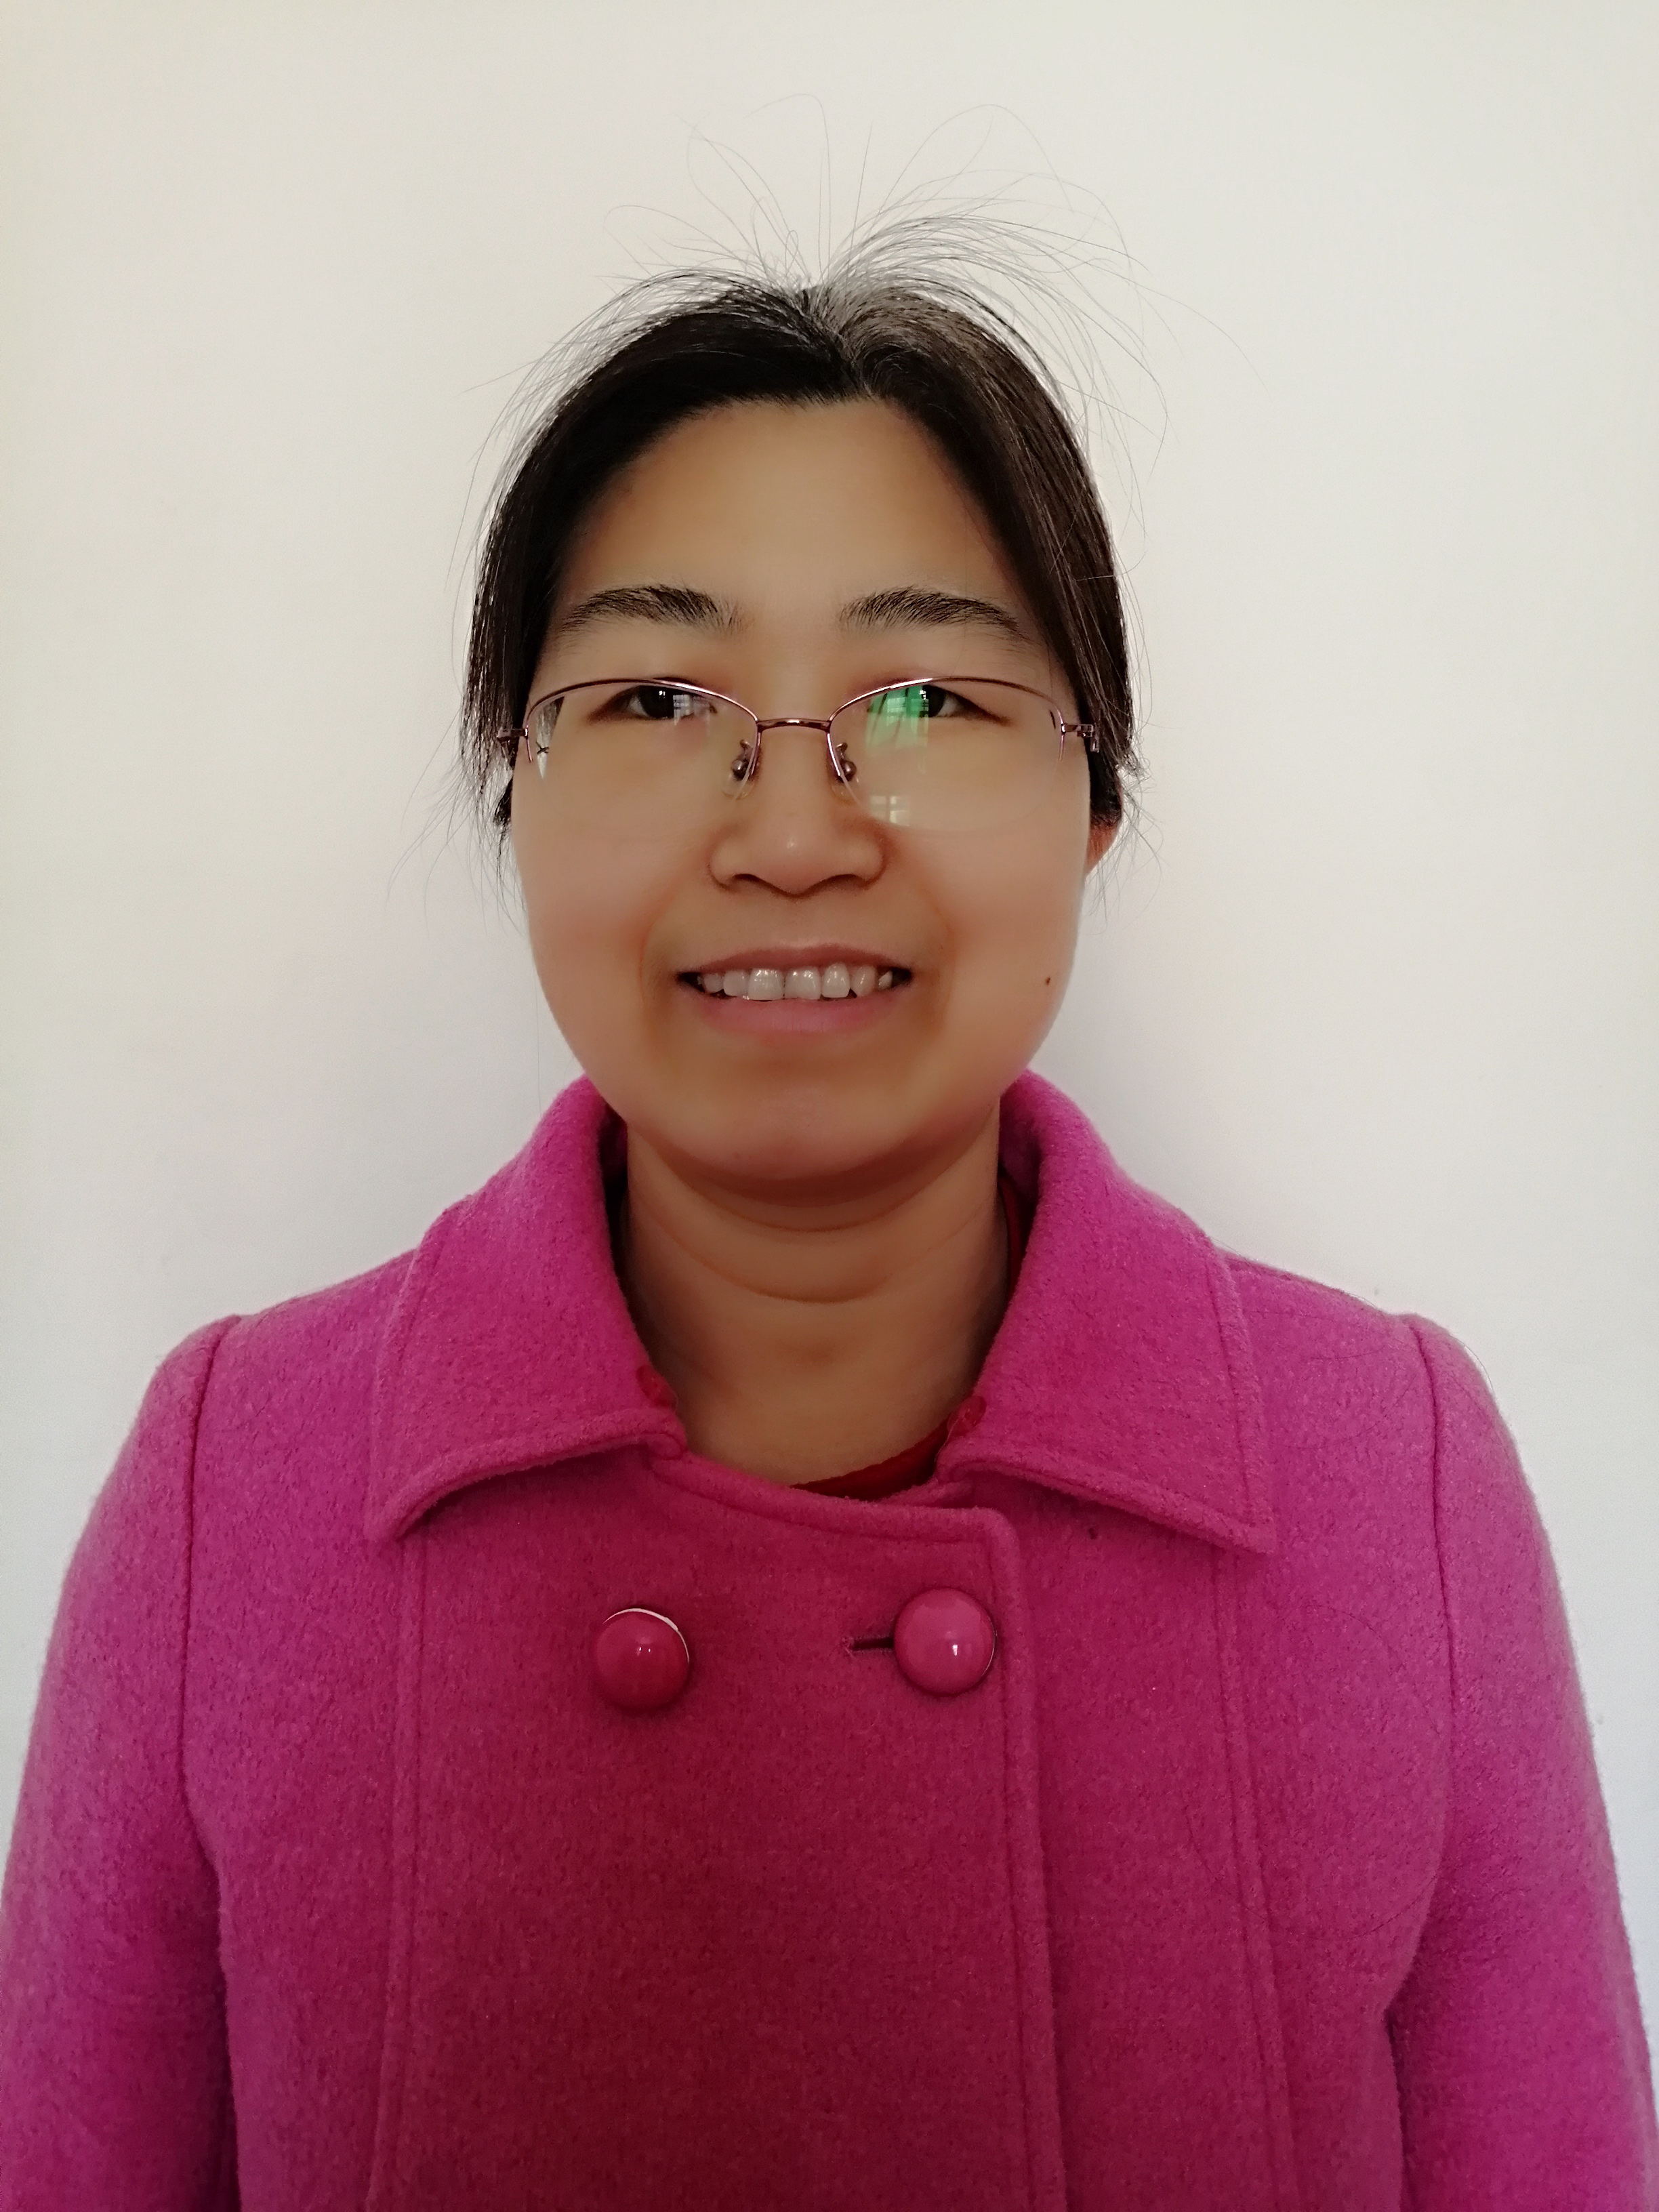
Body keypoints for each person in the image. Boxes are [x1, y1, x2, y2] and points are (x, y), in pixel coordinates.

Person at [1, 236, 1654, 2212]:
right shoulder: (236, 1486)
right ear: (515, 791)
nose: (792, 835)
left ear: (1096, 805)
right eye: (655, 695)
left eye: (931, 694)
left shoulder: (1390, 1476)